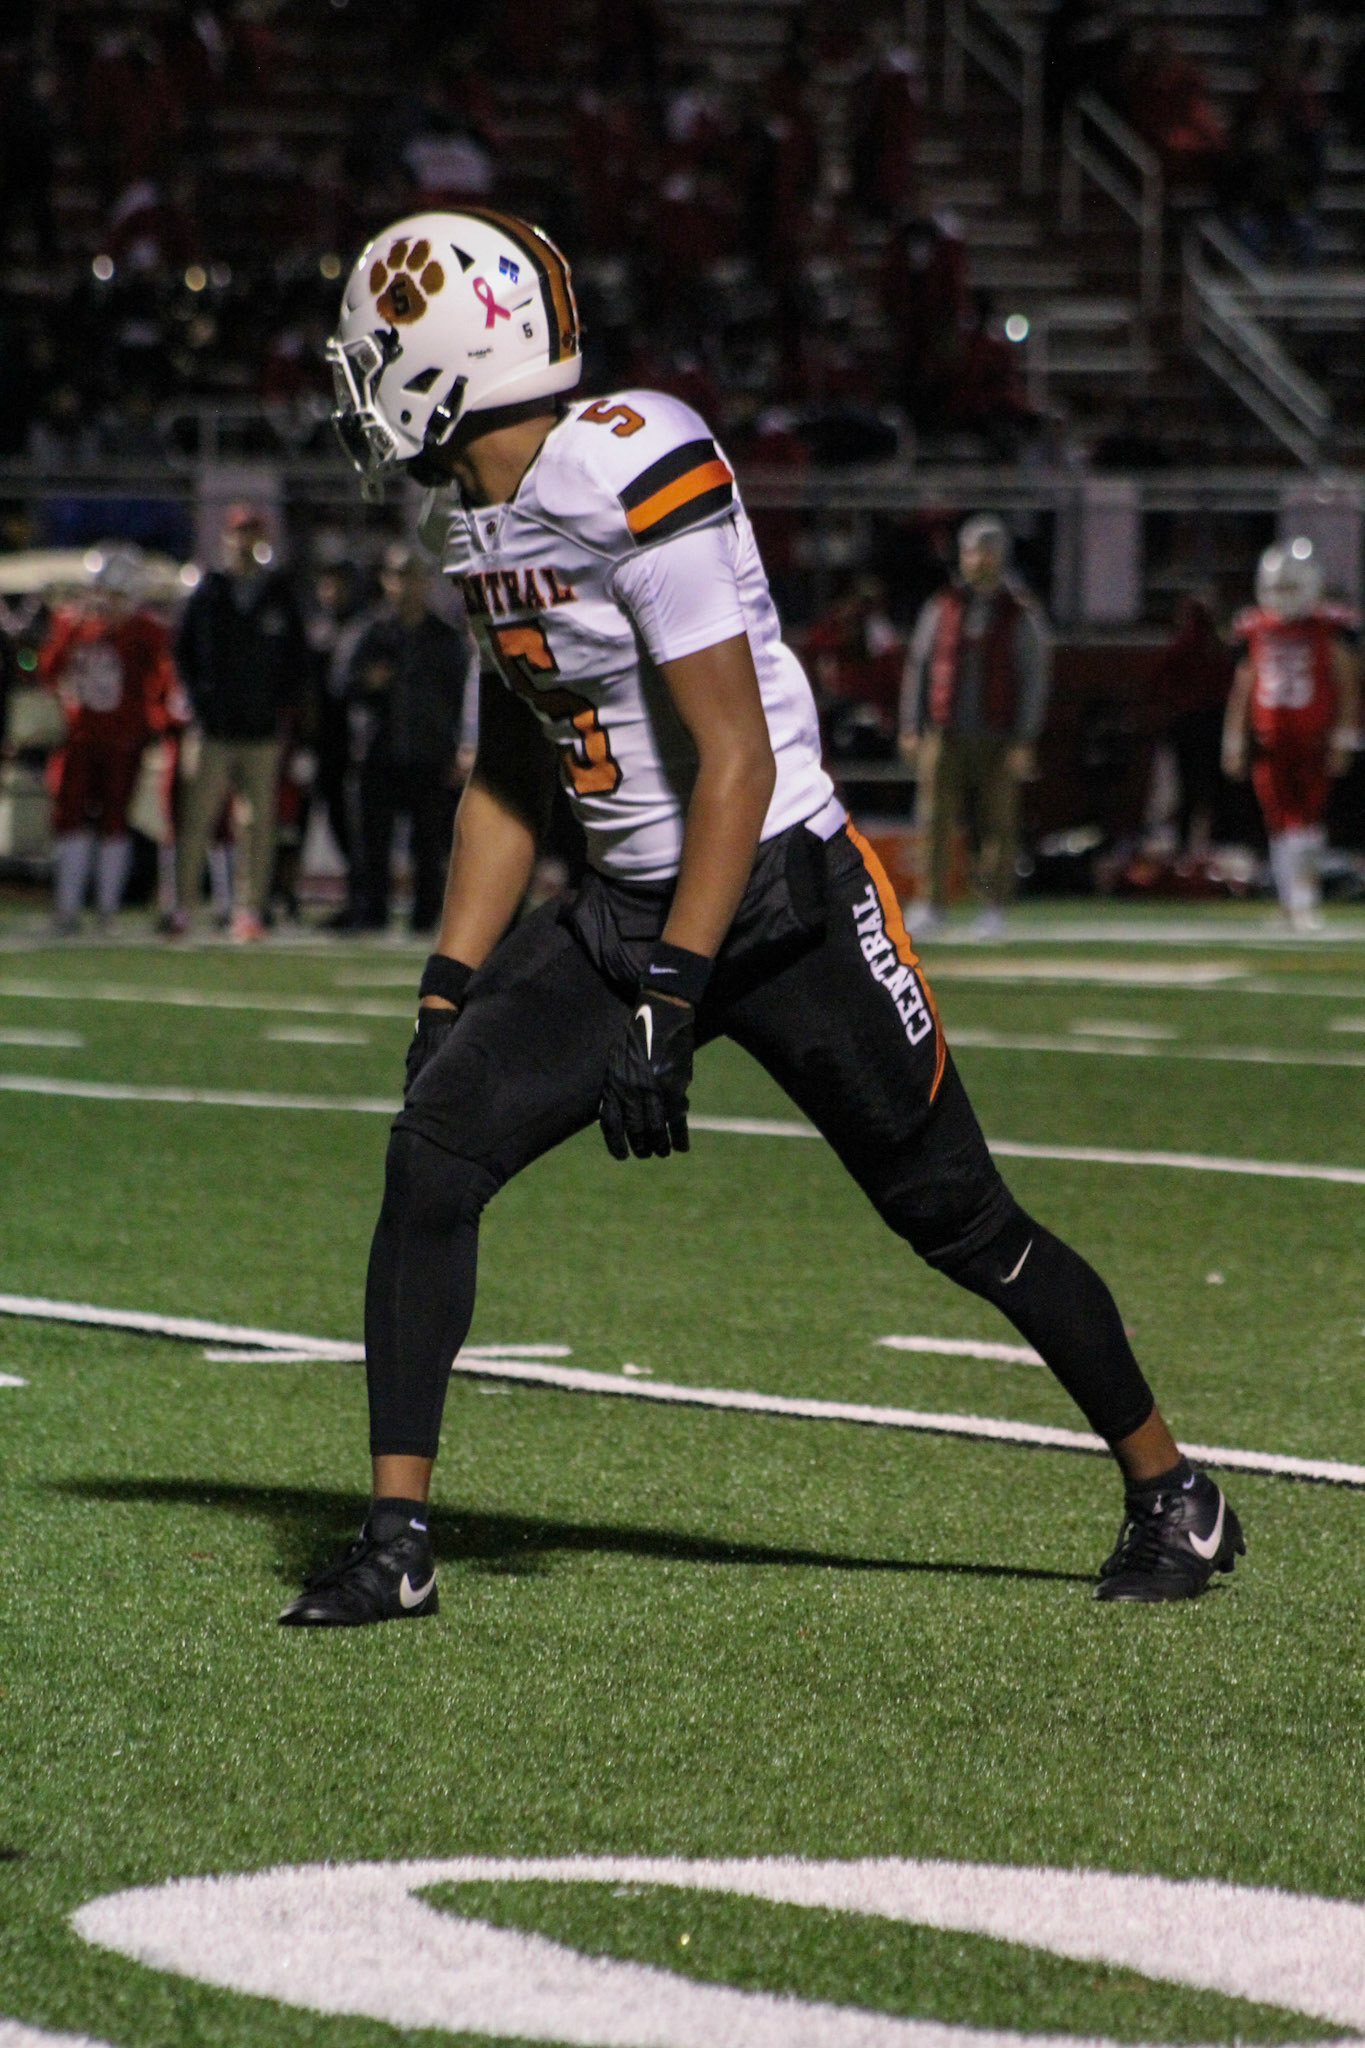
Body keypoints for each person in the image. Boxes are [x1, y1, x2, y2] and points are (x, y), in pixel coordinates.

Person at [280, 206, 1244, 1626]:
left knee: (962, 1221)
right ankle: (398, 1542)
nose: (359, 388)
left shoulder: (626, 463)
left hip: (786, 902)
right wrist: (446, 981)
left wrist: (673, 996)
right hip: (628, 907)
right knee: (431, 1155)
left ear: (446, 360)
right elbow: (513, 769)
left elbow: (733, 760)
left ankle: (1174, 1491)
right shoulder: (468, 519)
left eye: (375, 355)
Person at [899, 516, 1050, 938]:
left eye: (986, 551)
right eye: (972, 551)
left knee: (996, 826)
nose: (979, 559)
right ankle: (932, 903)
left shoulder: (1019, 612)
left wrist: (1025, 737)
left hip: (999, 736)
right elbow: (919, 666)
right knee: (933, 820)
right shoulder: (942, 605)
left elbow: (1034, 677)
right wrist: (911, 724)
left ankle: (993, 906)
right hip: (944, 732)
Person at [171, 504, 305, 940]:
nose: (244, 541)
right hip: (214, 727)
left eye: (252, 532)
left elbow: (295, 656)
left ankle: (249, 909)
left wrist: (280, 704)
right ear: (227, 537)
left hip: (260, 728)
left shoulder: (277, 593)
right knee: (198, 818)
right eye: (238, 532)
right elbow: (183, 651)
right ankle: (184, 906)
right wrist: (200, 702)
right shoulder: (208, 591)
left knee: (258, 823)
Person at [39, 544, 177, 931]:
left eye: (117, 595)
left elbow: (163, 678)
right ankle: (68, 907)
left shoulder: (146, 631)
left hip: (123, 740)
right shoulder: (74, 624)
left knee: (115, 821)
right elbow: (48, 670)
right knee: (69, 818)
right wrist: (70, 633)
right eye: (104, 592)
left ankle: (107, 909)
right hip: (80, 736)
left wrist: (154, 722)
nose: (109, 603)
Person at [1223, 538, 1359, 931]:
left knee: (1305, 819)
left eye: (1290, 587)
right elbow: (1243, 687)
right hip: (1270, 740)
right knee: (1279, 821)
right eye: (1277, 587)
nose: (1282, 596)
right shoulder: (1255, 627)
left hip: (1314, 739)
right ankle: (1291, 903)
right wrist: (1233, 740)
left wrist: (1344, 737)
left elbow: (1346, 683)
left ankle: (1304, 901)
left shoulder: (1328, 628)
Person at [345, 542, 472, 933]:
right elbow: (341, 683)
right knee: (373, 842)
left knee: (428, 844)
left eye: (414, 575)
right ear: (386, 581)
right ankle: (372, 914)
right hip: (378, 751)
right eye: (399, 575)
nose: (407, 585)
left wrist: (459, 746)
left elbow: (460, 695)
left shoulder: (445, 637)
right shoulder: (369, 631)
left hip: (429, 751)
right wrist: (366, 683)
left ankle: (425, 916)